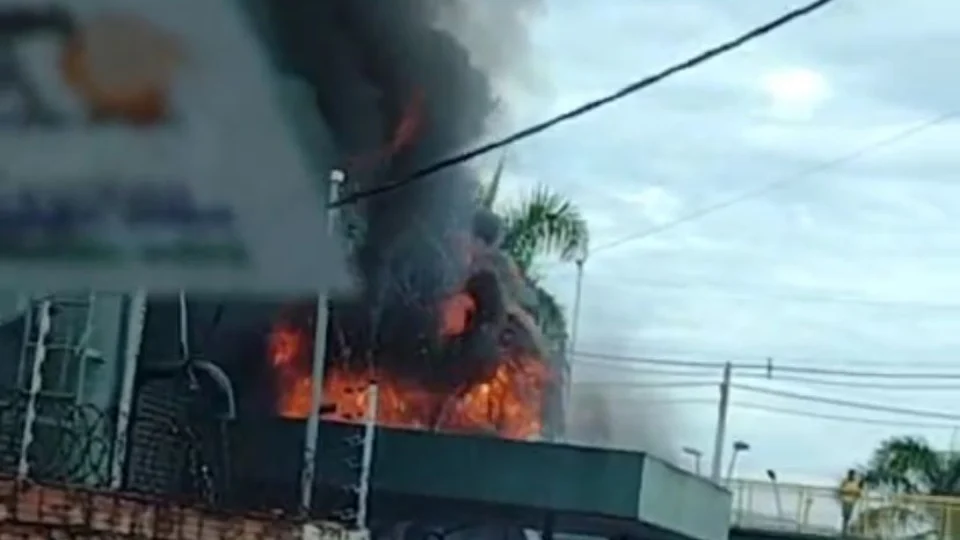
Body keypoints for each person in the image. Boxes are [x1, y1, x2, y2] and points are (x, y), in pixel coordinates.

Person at [838, 469, 864, 536]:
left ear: (854, 475)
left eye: (852, 474)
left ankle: (845, 529)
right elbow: (840, 490)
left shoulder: (857, 482)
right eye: (850, 474)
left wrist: (855, 494)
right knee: (845, 515)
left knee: (848, 515)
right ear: (848, 474)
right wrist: (847, 493)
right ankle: (844, 529)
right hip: (845, 500)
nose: (851, 475)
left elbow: (859, 492)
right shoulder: (844, 481)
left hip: (852, 501)